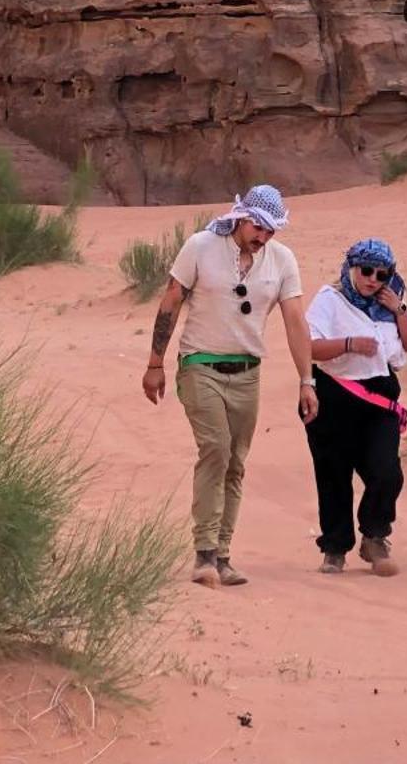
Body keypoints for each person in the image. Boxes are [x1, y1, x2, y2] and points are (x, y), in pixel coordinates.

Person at [142, 183, 317, 587]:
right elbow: (171, 301)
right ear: (241, 216)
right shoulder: (200, 246)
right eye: (258, 226)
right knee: (216, 449)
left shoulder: (282, 260)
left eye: (271, 230)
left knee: (236, 464)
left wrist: (307, 380)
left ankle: (222, 555)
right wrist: (155, 363)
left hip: (247, 372)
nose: (263, 236)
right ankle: (203, 554)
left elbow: (295, 321)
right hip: (200, 364)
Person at [304, 237, 407, 576]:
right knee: (333, 474)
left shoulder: (392, 302)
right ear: (352, 268)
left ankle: (374, 536)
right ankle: (334, 548)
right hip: (334, 395)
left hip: (379, 400)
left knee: (387, 472)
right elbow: (310, 346)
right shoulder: (331, 299)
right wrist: (348, 344)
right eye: (366, 271)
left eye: (381, 274)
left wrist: (398, 309)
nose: (373, 279)